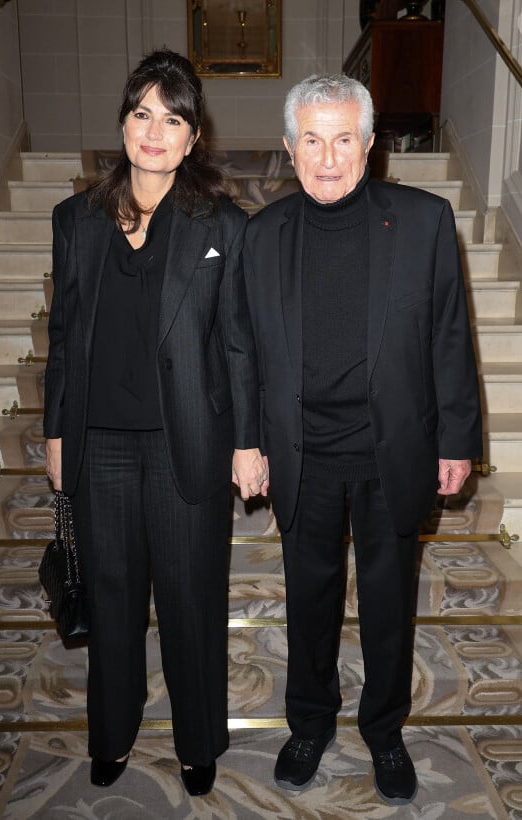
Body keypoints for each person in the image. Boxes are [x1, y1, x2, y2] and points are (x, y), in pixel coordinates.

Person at [243, 74, 482, 805]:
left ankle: (383, 730)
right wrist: (247, 443)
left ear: (370, 145)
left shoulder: (423, 221)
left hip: (393, 452)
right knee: (309, 601)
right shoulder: (262, 235)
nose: (327, 157)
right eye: (310, 140)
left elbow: (448, 336)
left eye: (343, 138)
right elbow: (244, 353)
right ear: (288, 148)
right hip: (303, 455)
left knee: (387, 602)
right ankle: (310, 722)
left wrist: (458, 437)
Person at [44, 49, 268, 797]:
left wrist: (247, 440)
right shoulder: (74, 220)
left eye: (172, 119)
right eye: (143, 113)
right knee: (111, 598)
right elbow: (67, 337)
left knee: (190, 601)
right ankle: (112, 732)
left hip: (188, 445)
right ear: (123, 122)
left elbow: (238, 341)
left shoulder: (221, 227)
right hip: (100, 443)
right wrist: (54, 435)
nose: (155, 131)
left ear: (192, 135)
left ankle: (198, 741)